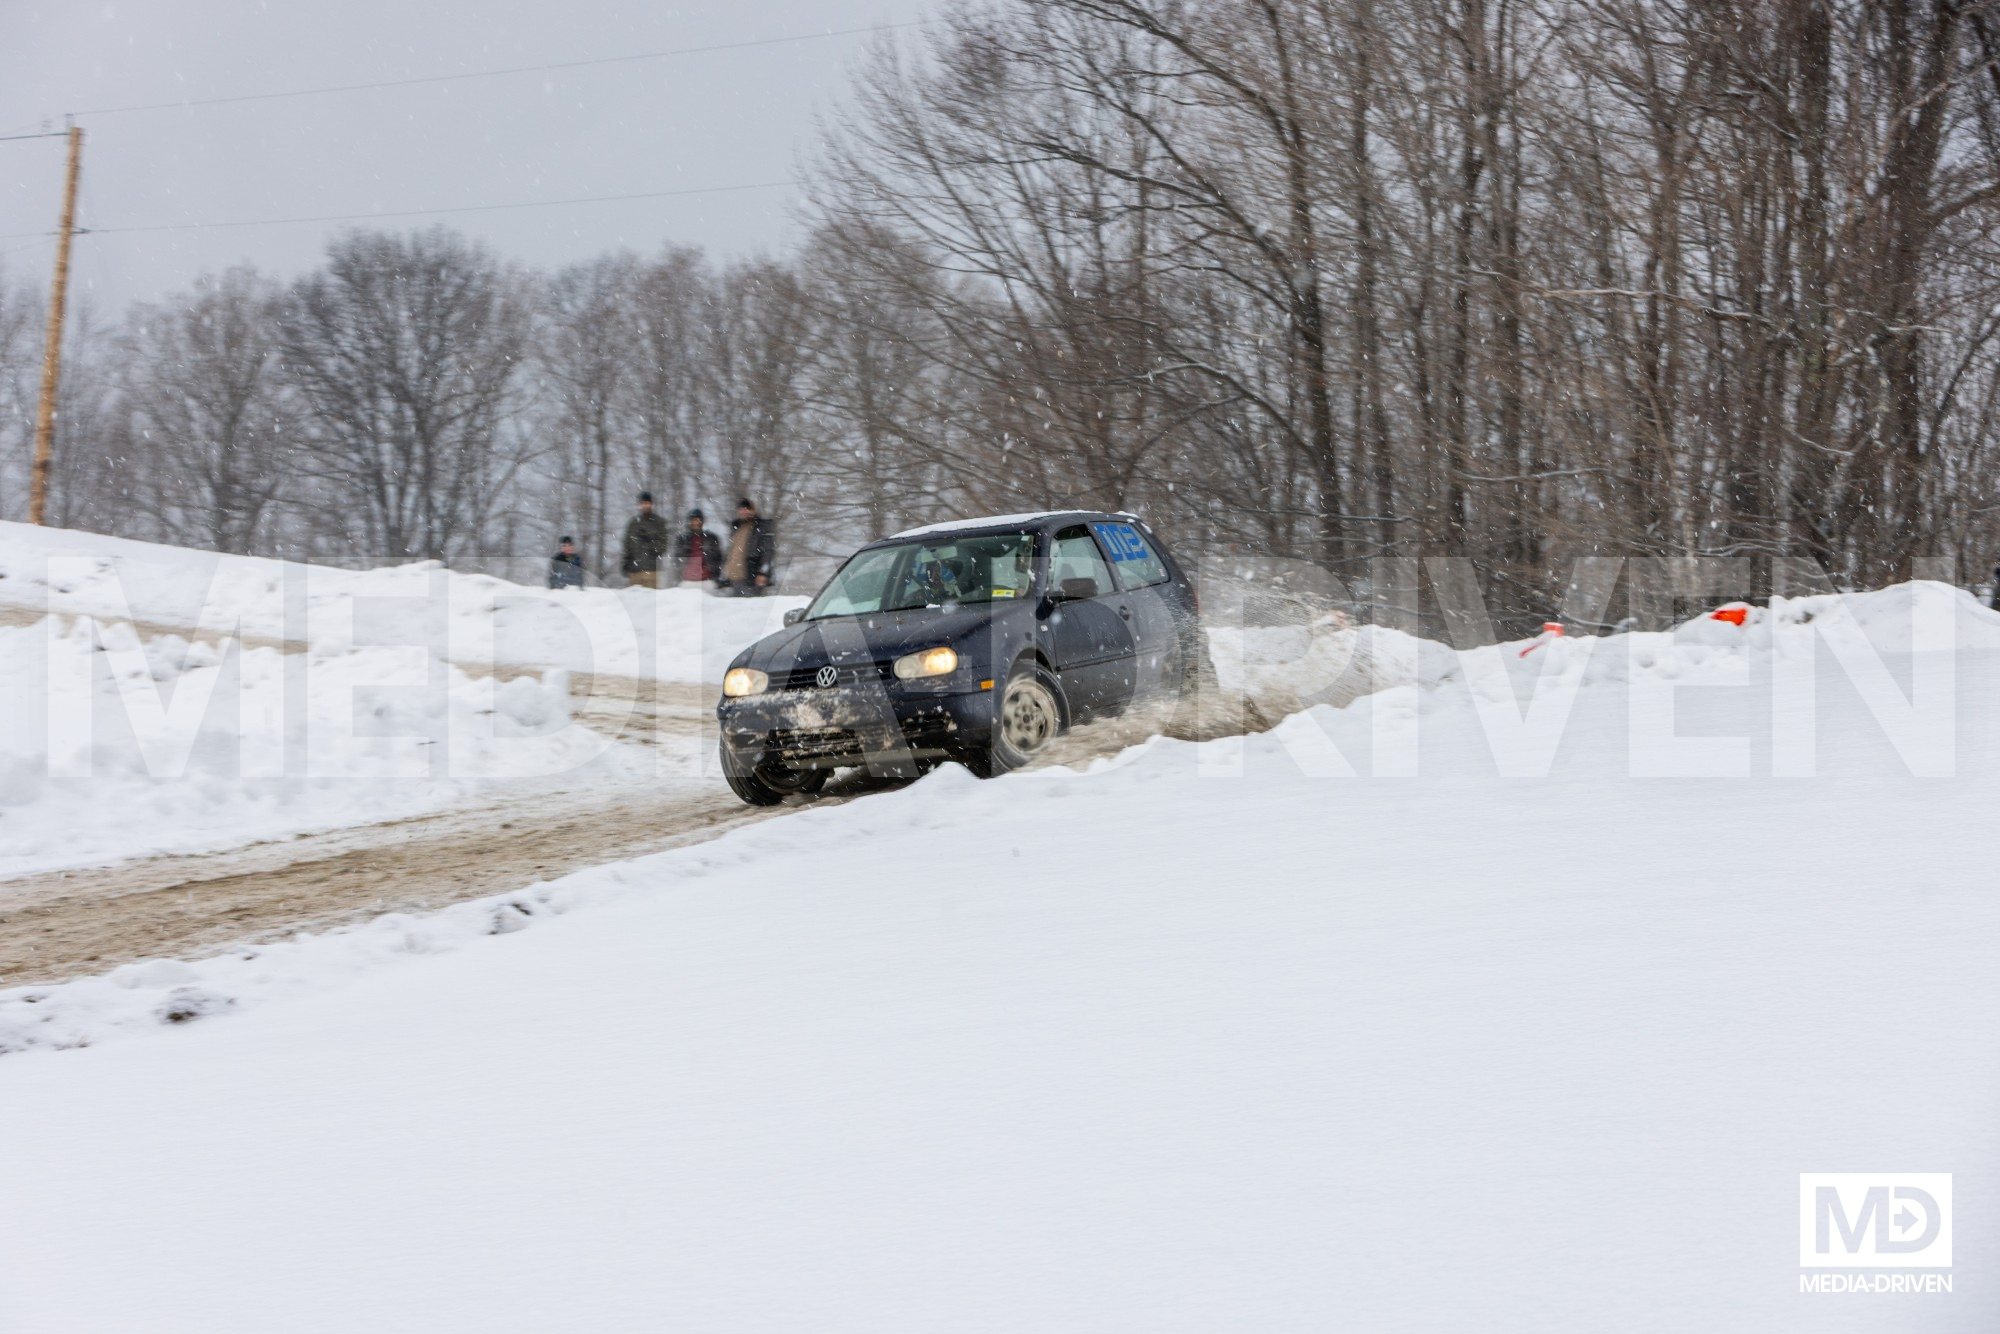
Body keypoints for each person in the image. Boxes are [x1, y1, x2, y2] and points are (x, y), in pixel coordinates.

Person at [719, 498, 776, 596]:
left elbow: (768, 551)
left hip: (752, 575)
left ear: (753, 510)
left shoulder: (761, 527)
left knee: (751, 603)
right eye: (741, 509)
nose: (744, 511)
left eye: (747, 509)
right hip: (734, 577)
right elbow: (731, 552)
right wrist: (723, 573)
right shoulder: (736, 527)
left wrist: (763, 573)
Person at [620, 492, 671, 589]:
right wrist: (625, 563)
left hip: (652, 571)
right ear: (640, 505)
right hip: (635, 572)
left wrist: (649, 540)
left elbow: (662, 547)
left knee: (650, 598)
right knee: (634, 598)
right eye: (643, 503)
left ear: (652, 504)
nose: (645, 506)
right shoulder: (633, 523)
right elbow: (627, 547)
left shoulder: (659, 523)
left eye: (648, 503)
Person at [672, 508, 723, 587]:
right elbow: (677, 559)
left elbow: (717, 559)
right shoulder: (682, 539)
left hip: (707, 580)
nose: (696, 522)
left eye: (698, 520)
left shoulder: (711, 538)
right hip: (687, 580)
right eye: (693, 520)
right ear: (689, 521)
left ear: (702, 521)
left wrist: (716, 577)